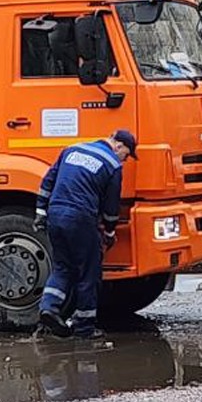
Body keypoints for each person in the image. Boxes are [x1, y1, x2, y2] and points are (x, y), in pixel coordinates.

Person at [33, 129, 138, 339]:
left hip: (55, 213)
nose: (124, 160)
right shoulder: (112, 165)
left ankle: (48, 309)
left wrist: (41, 213)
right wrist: (109, 232)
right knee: (88, 272)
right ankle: (84, 328)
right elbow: (110, 207)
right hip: (80, 218)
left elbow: (48, 182)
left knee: (62, 266)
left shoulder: (72, 149)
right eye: (126, 155)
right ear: (117, 145)